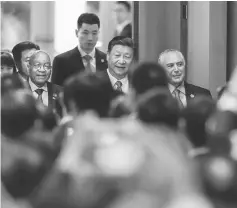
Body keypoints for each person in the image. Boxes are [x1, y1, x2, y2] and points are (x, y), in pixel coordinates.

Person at [51, 13, 108, 86]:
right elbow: (56, 93)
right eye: (85, 33)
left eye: (94, 33)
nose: (90, 38)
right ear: (77, 33)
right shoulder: (61, 61)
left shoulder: (106, 60)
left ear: (98, 34)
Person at [28, 50, 63, 117]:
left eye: (47, 66)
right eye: (37, 65)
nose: (42, 70)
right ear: (29, 67)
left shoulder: (60, 92)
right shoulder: (19, 89)